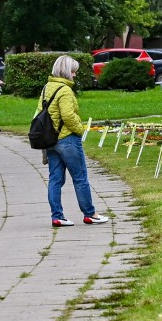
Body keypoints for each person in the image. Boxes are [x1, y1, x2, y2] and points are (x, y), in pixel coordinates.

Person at [40, 55, 109, 227]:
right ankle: (89, 214)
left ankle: (57, 216)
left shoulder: (47, 87)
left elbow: (40, 112)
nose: (75, 74)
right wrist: (80, 129)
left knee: (55, 179)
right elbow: (68, 115)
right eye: (73, 71)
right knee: (80, 177)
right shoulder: (65, 90)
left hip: (51, 140)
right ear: (65, 72)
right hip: (67, 140)